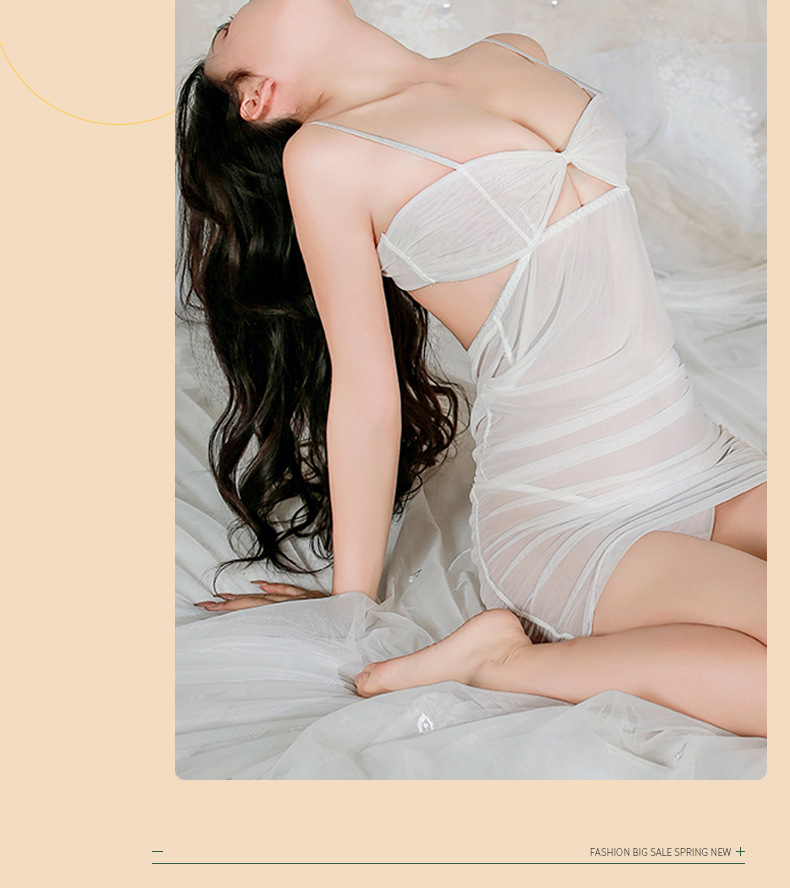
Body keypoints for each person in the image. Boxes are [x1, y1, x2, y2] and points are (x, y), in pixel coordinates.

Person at [178, 0, 767, 737]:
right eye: (225, 29)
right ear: (259, 96)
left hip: (698, 462)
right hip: (571, 514)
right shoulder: (325, 160)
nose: (236, 10)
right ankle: (500, 661)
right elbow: (366, 396)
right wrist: (350, 603)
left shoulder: (510, 50)